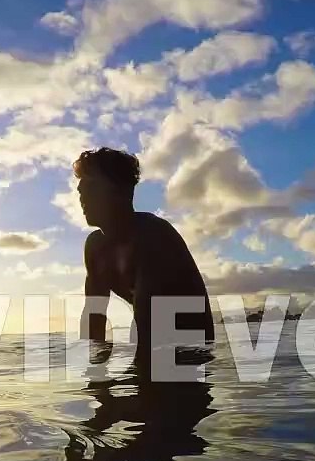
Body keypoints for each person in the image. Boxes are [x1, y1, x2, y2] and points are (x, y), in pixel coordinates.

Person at [74, 148, 214, 368]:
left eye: (90, 185)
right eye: (81, 187)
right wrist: (97, 379)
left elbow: (148, 320)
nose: (80, 191)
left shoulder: (152, 235)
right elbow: (94, 315)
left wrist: (134, 374)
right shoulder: (95, 246)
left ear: (120, 190)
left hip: (191, 350)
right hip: (153, 339)